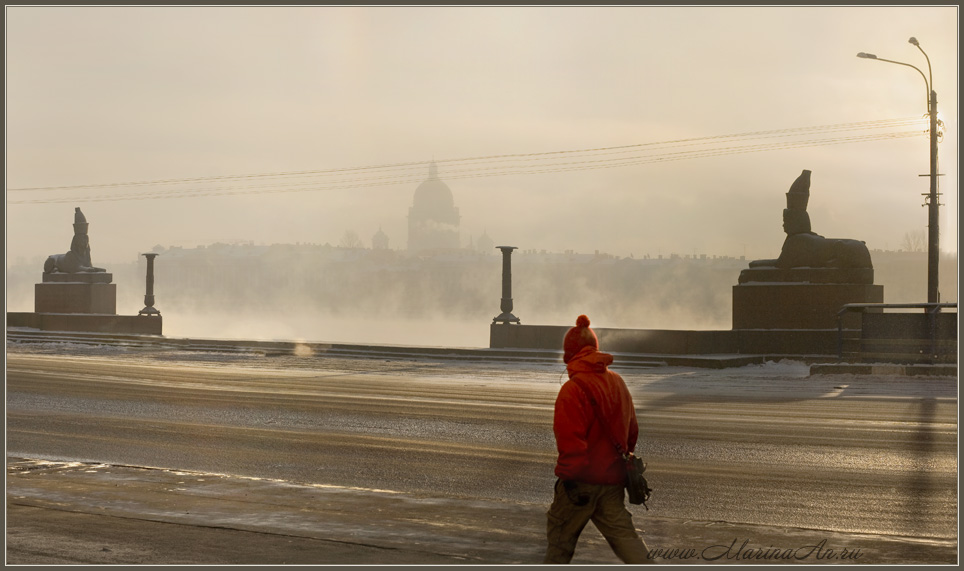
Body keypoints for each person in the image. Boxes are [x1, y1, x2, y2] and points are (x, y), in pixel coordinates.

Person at [543, 315, 653, 564]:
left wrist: (570, 480)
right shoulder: (617, 382)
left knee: (559, 545)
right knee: (628, 542)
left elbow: (571, 442)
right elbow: (631, 431)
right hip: (612, 481)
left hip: (580, 485)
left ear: (568, 354)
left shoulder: (572, 390)